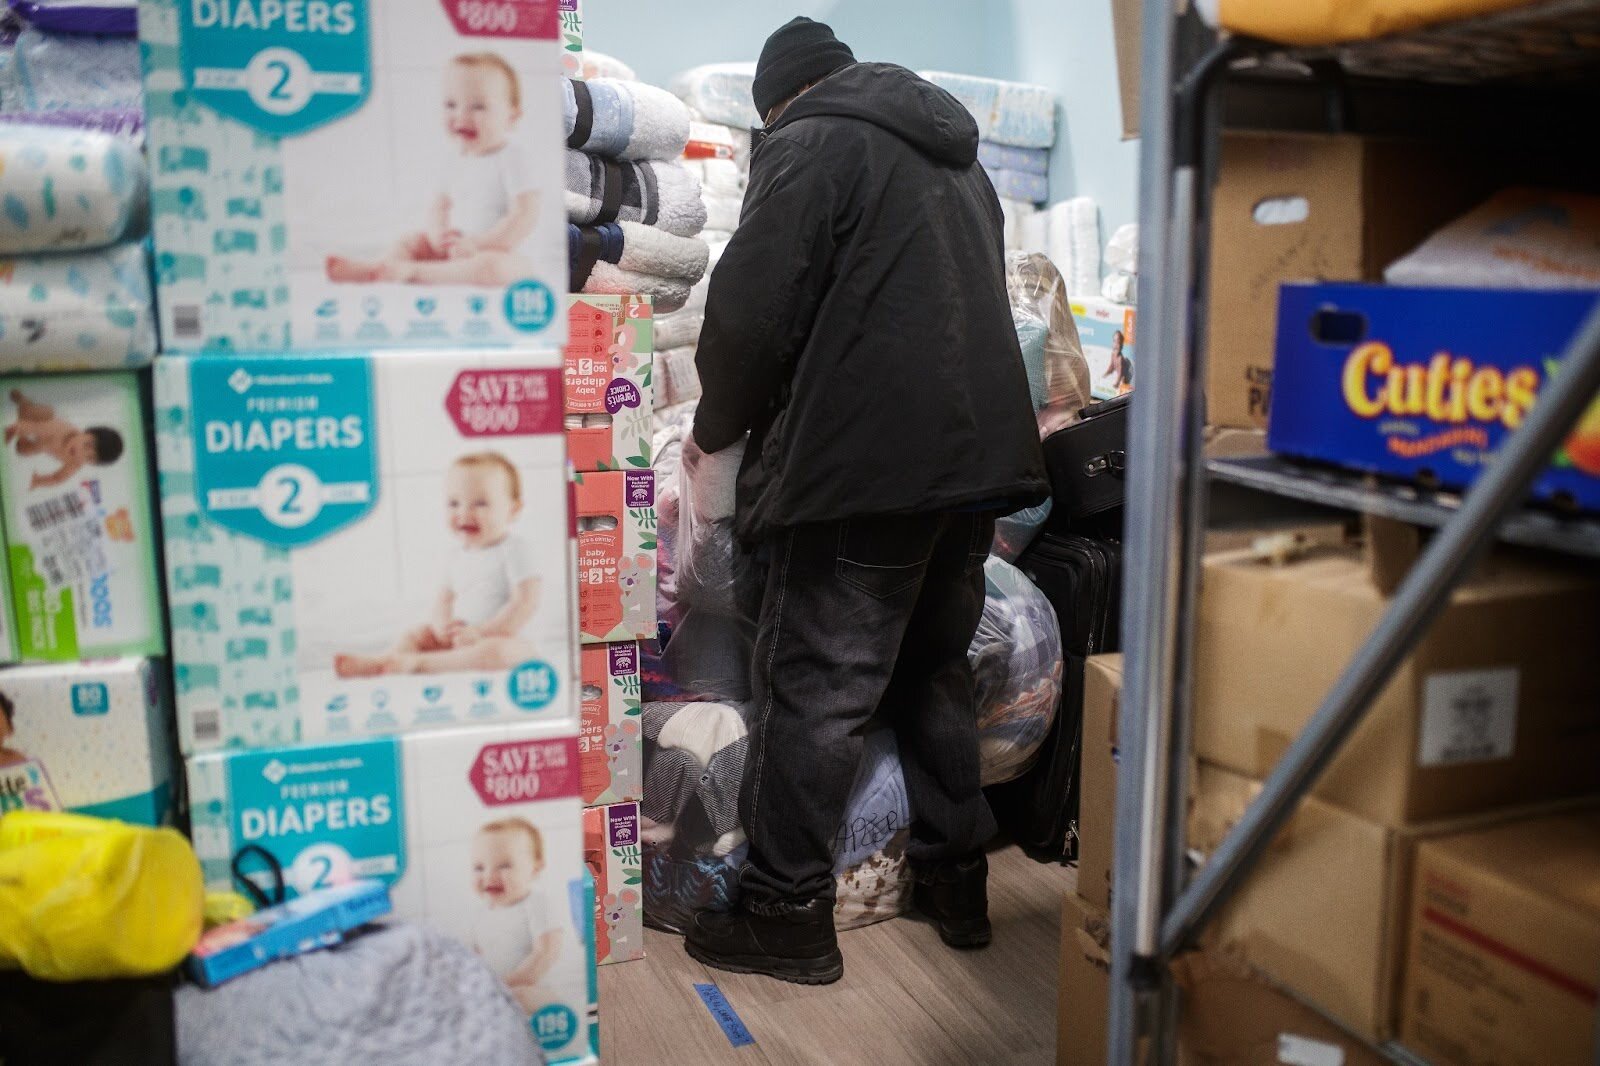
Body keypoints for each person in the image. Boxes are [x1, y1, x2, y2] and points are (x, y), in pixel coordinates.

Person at [682, 18, 1048, 985]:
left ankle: (783, 910)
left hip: (864, 468)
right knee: (931, 669)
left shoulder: (807, 143)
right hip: (973, 466)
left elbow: (751, 315)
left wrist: (714, 430)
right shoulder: (957, 161)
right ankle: (956, 878)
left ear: (778, 104)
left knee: (818, 688)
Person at [326, 53, 542, 287]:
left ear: (512, 116)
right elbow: (440, 206)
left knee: (492, 269)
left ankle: (413, 272)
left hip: (501, 251)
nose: (461, 115)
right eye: (451, 105)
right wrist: (438, 235)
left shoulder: (513, 158)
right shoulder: (454, 160)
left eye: (478, 106)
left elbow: (524, 215)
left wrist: (478, 244)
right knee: (410, 241)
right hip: (454, 247)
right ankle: (381, 268)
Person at [335, 452, 540, 677]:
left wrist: (481, 633)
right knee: (417, 634)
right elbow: (444, 599)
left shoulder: (515, 550)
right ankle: (385, 661)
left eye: (481, 503)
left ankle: (419, 664)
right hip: (461, 637)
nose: (464, 512)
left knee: (496, 653)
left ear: (513, 510)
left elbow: (524, 603)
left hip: (507, 639)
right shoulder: (456, 556)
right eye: (454, 503)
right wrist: (442, 627)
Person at [469, 818, 562, 1014]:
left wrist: (502, 986)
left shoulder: (537, 903)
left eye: (504, 865)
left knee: (521, 996)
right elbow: (476, 957)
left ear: (535, 868)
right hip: (499, 991)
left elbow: (545, 953)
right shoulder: (480, 914)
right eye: (479, 867)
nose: (489, 875)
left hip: (537, 990)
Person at [4, 388, 124, 489]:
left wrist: (39, 481)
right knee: (32, 412)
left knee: (22, 450)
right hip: (45, 421)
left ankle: (20, 432)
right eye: (87, 445)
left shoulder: (75, 464)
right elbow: (36, 428)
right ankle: (22, 401)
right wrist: (17, 428)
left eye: (89, 458)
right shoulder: (63, 430)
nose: (80, 453)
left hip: (43, 444)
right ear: (86, 432)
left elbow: (57, 478)